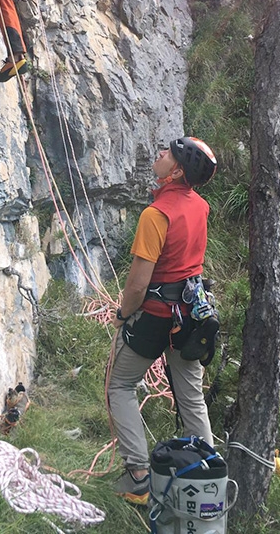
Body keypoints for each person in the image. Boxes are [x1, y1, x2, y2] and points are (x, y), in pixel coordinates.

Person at [108, 136, 218, 505]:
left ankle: (138, 475)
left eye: (167, 153)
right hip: (190, 317)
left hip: (154, 318)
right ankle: (206, 483)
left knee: (120, 386)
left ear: (178, 170)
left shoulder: (156, 215)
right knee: (191, 400)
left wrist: (122, 314)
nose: (159, 154)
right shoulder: (200, 207)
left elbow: (138, 285)